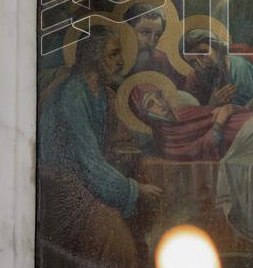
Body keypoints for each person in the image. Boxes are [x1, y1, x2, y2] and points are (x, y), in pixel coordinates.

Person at [36, 26, 163, 267]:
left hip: (88, 183)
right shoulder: (73, 94)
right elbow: (88, 162)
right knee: (115, 238)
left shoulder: (103, 94)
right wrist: (134, 190)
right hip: (65, 190)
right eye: (113, 55)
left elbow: (118, 139)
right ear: (93, 59)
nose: (121, 61)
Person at [129, 83, 253, 161]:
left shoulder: (182, 111)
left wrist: (229, 108)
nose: (159, 103)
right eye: (150, 104)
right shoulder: (166, 140)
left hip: (244, 120)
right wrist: (219, 123)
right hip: (238, 137)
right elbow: (198, 150)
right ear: (144, 115)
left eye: (158, 96)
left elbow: (215, 111)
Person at [179, 29, 253, 107]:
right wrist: (212, 105)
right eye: (193, 62)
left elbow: (248, 109)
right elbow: (189, 110)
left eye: (203, 54)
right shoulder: (194, 78)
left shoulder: (238, 67)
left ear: (216, 47)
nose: (201, 65)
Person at [124, 3, 186, 87]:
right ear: (127, 31)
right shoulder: (114, 59)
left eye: (157, 35)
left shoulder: (164, 62)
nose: (151, 42)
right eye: (145, 32)